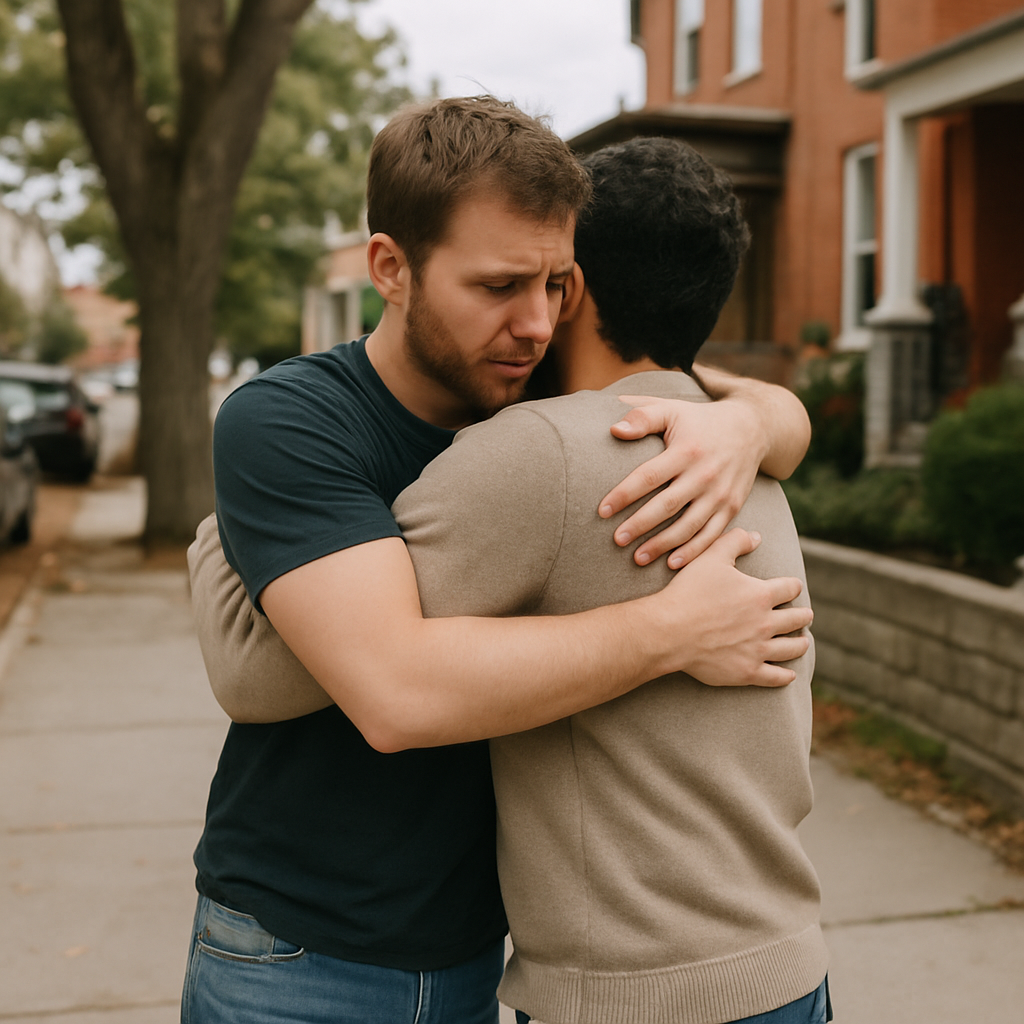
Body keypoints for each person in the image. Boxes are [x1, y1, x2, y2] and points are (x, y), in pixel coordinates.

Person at [183, 97, 814, 1024]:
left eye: (556, 285)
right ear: (391, 269)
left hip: (481, 953)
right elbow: (390, 693)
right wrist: (671, 629)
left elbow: (707, 389)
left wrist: (750, 420)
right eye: (498, 287)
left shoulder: (533, 411)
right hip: (302, 952)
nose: (536, 324)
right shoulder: (294, 420)